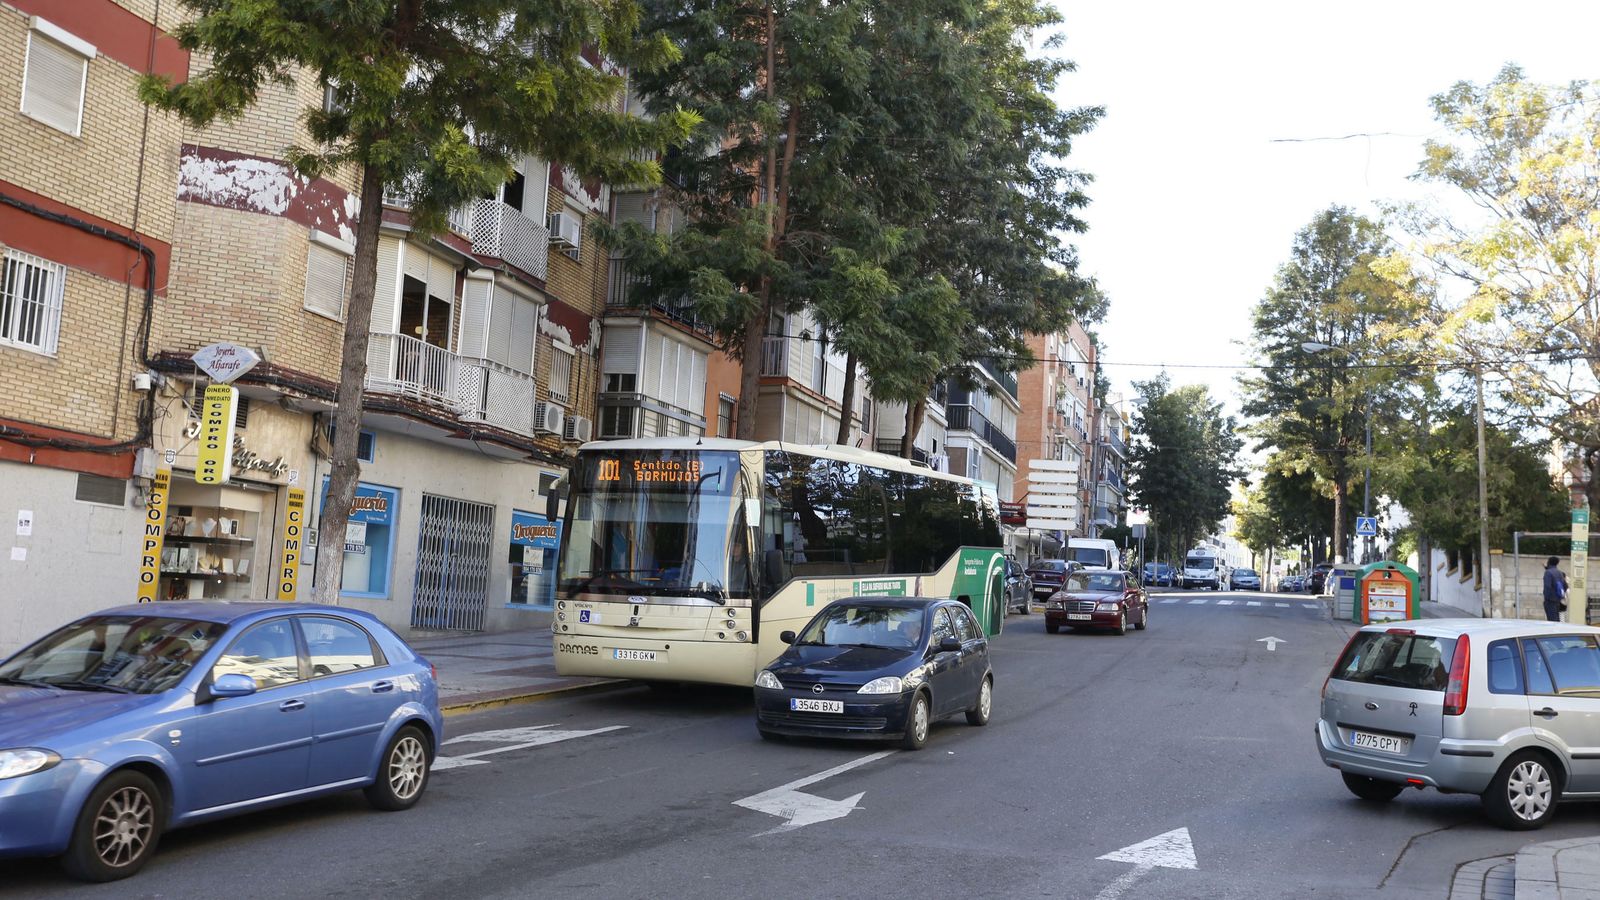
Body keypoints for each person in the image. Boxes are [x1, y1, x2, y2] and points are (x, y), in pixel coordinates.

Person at [1543, 556, 1569, 622]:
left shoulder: (1548, 573)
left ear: (1549, 562)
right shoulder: (1560, 573)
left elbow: (1547, 587)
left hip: (1550, 600)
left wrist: (1547, 598)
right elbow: (1565, 586)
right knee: (1556, 620)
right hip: (1558, 601)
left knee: (1551, 620)